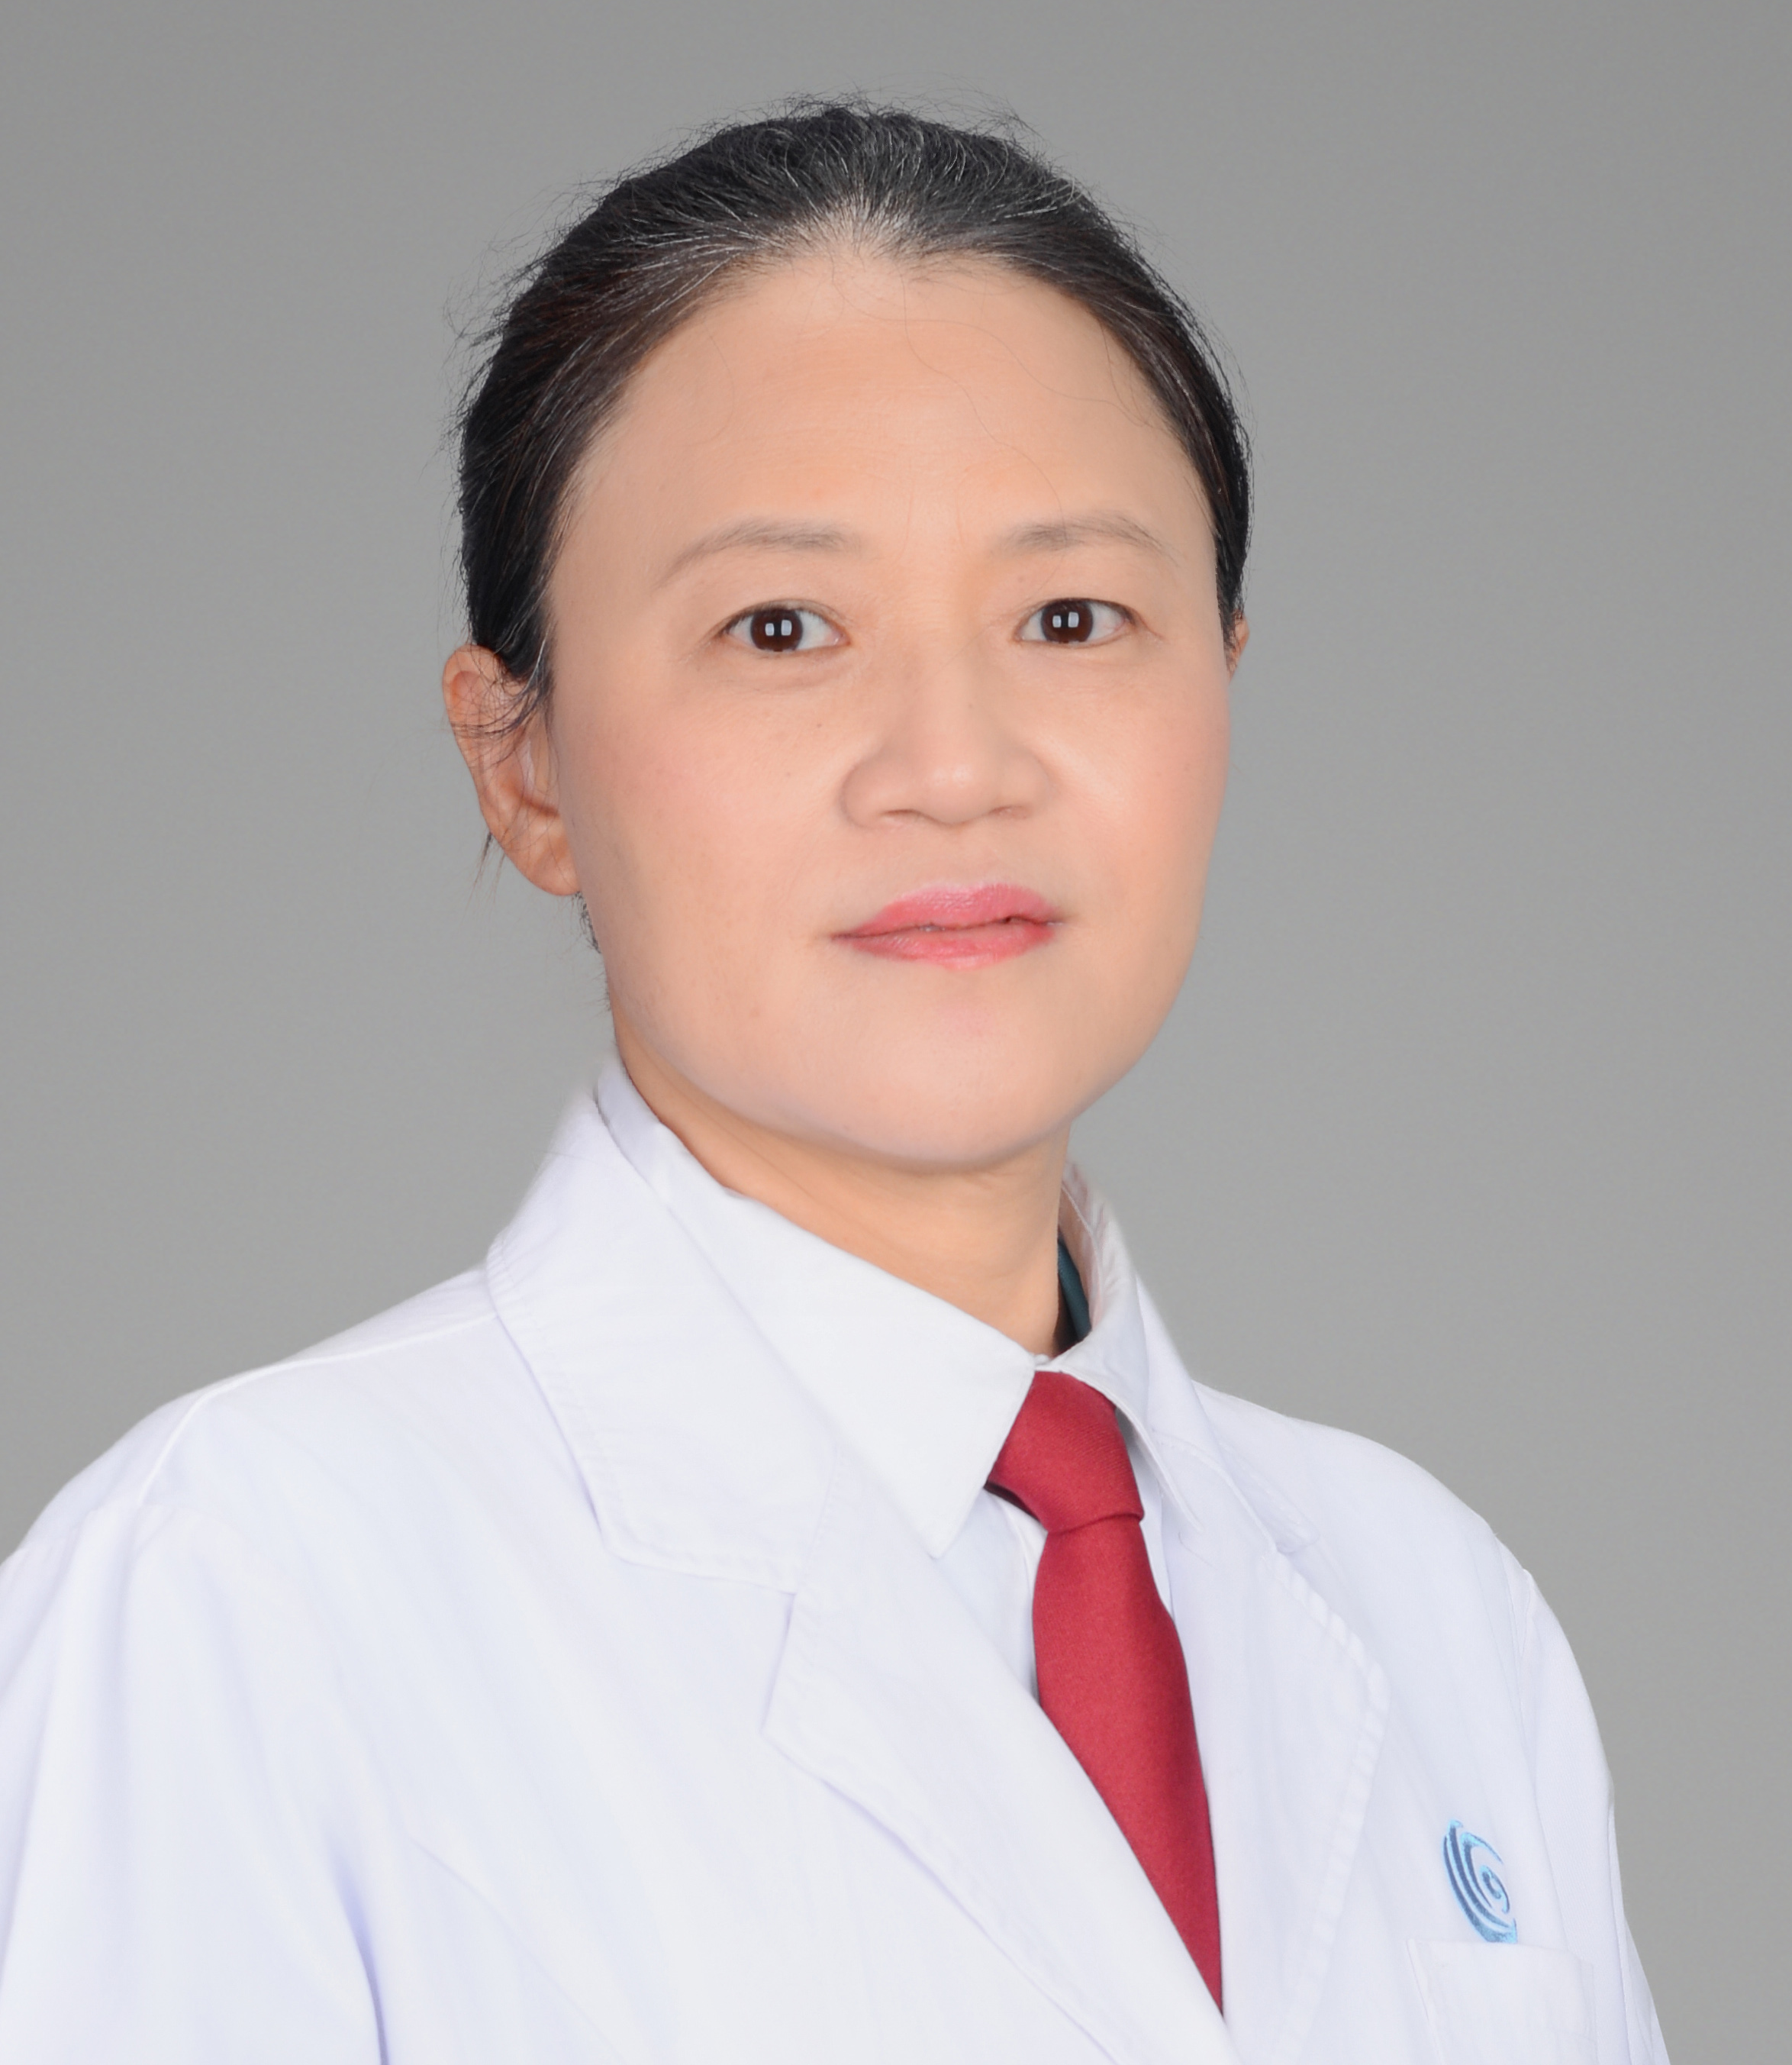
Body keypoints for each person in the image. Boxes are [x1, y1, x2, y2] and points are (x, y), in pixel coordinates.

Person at [0, 105, 1668, 2064]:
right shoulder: (239, 1594)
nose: (952, 764)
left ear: (1222, 676)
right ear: (521, 761)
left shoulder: (1437, 1609)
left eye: (1071, 618)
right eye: (779, 627)